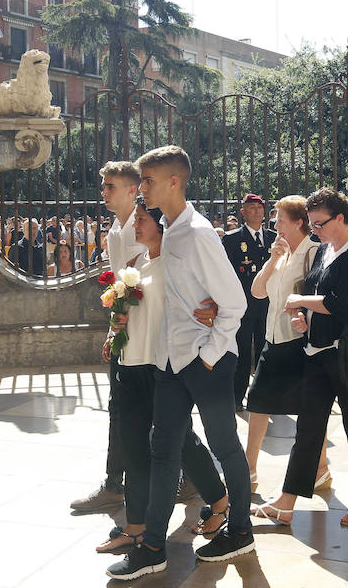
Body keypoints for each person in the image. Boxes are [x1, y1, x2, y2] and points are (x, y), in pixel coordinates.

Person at [107, 146, 253, 581]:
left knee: (225, 446)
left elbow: (235, 303)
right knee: (162, 449)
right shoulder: (168, 230)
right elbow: (178, 297)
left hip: (206, 361)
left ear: (173, 181)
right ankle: (152, 547)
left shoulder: (199, 232)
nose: (142, 190)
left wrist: (208, 356)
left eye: (147, 182)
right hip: (169, 362)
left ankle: (241, 530)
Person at [95, 196, 230, 554]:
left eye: (141, 219)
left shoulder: (173, 264)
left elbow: (210, 295)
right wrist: (115, 328)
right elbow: (125, 310)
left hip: (161, 367)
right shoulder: (134, 263)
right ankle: (135, 527)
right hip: (129, 365)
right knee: (135, 449)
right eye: (135, 218)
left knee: (181, 443)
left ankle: (219, 500)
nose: (134, 225)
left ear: (160, 224)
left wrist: (215, 307)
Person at [251, 188, 348, 527]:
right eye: (311, 223)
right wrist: (302, 316)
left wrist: (299, 302)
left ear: (341, 217)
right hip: (316, 352)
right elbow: (314, 295)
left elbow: (341, 303)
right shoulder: (324, 250)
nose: (316, 229)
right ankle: (286, 501)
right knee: (308, 429)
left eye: (320, 223)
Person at [70, 161, 145, 513]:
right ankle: (114, 482)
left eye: (110, 186)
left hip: (145, 332)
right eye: (103, 186)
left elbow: (141, 285)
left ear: (133, 190)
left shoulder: (145, 227)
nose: (103, 192)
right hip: (125, 329)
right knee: (122, 407)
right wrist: (113, 330)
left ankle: (190, 475)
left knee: (154, 410)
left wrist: (119, 324)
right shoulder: (117, 227)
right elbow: (122, 287)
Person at [242, 195, 330, 490]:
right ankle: (249, 470)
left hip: (299, 342)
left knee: (309, 409)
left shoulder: (315, 252)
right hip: (272, 338)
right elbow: (257, 292)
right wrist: (273, 260)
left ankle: (321, 468)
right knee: (257, 402)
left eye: (280, 219)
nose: (275, 224)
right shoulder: (280, 252)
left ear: (298, 222)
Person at [221, 194, 276, 411]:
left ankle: (263, 396)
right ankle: (237, 397)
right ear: (242, 212)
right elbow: (226, 273)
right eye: (250, 208)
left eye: (259, 208)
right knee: (242, 352)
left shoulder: (273, 238)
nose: (256, 211)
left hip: (268, 304)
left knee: (266, 350)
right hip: (243, 305)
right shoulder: (232, 239)